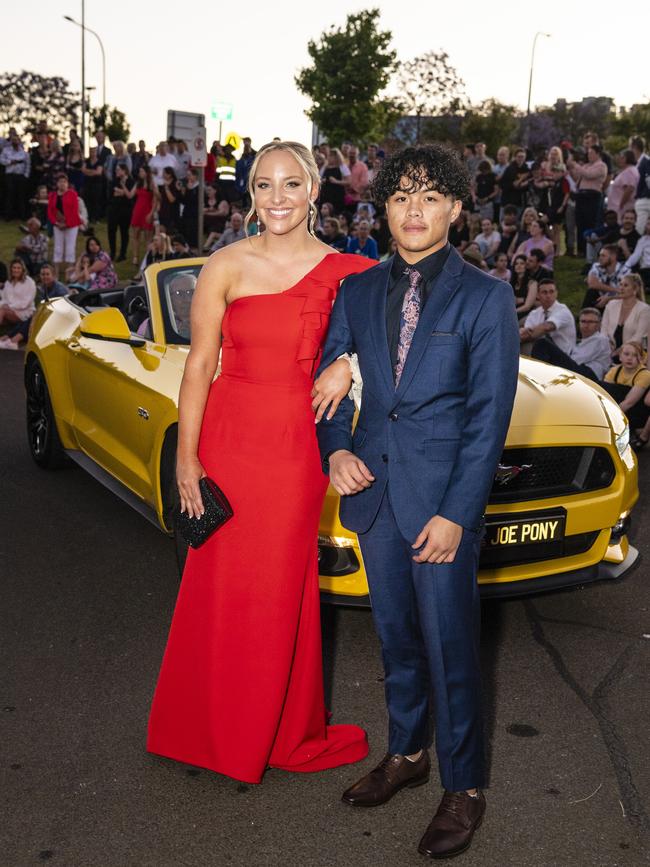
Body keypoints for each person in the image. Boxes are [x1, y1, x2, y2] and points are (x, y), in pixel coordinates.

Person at [313, 144, 519, 860]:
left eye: (431, 197)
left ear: (457, 209)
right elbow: (330, 382)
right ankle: (407, 752)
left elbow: (488, 418)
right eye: (402, 196)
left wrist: (458, 513)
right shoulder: (359, 290)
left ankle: (464, 786)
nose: (414, 210)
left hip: (441, 510)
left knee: (450, 645)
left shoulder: (487, 297)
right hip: (374, 496)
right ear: (385, 206)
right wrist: (335, 448)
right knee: (397, 639)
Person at [147, 140, 372, 784]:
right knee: (215, 583)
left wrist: (345, 362)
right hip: (228, 436)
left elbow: (386, 344)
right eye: (265, 185)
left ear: (314, 192)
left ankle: (272, 729)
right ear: (251, 194)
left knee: (278, 588)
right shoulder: (224, 264)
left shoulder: (348, 272)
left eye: (291, 184)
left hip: (296, 446)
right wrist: (187, 460)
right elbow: (198, 365)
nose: (278, 198)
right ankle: (203, 727)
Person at [531, 306, 612, 381]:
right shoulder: (581, 341)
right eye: (583, 321)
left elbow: (578, 359)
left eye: (590, 322)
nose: (586, 325)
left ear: (599, 324)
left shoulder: (600, 339)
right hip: (579, 370)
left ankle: (537, 376)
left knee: (542, 343)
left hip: (589, 374)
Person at [602, 341, 650, 434]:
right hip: (619, 407)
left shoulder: (645, 374)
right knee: (601, 385)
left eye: (635, 355)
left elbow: (629, 402)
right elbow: (604, 395)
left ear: (641, 358)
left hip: (637, 412)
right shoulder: (614, 370)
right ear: (620, 356)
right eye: (626, 354)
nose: (630, 358)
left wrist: (608, 419)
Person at [567, 145, 608, 255]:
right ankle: (581, 249)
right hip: (581, 195)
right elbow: (578, 177)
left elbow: (589, 175)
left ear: (598, 154)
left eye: (591, 153)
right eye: (588, 153)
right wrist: (571, 168)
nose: (589, 155)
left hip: (592, 196)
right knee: (580, 222)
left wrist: (576, 165)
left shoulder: (601, 166)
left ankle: (590, 250)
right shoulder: (586, 165)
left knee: (590, 222)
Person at [600, 273, 650, 360]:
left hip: (632, 354)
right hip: (607, 352)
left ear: (635, 289)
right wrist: (606, 345)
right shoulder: (611, 305)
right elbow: (603, 329)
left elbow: (639, 336)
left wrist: (621, 350)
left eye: (626, 285)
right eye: (620, 284)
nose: (621, 288)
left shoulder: (644, 309)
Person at [520, 279, 577, 355]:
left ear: (556, 293)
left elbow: (546, 327)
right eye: (544, 292)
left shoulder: (563, 310)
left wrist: (526, 334)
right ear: (537, 295)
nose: (548, 296)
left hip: (564, 356)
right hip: (543, 354)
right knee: (524, 344)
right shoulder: (534, 314)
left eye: (551, 292)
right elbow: (525, 335)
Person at [48, 173, 81, 280]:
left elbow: (74, 211)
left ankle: (70, 273)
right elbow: (50, 211)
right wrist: (56, 223)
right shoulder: (52, 195)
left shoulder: (73, 194)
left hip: (71, 225)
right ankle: (56, 273)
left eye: (64, 182)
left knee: (70, 248)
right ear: (57, 183)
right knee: (58, 247)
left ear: (67, 184)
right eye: (60, 182)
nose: (62, 184)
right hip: (58, 225)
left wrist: (67, 224)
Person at [127, 165, 158, 269]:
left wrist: (151, 213)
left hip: (147, 211)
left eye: (141, 171)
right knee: (135, 235)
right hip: (138, 210)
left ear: (146, 172)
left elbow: (155, 200)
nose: (140, 173)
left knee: (148, 236)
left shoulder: (152, 184)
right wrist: (123, 187)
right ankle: (135, 257)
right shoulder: (138, 183)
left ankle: (147, 257)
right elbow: (130, 195)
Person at [583, 244, 629, 309]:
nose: (600, 258)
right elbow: (592, 284)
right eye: (599, 255)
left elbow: (628, 293)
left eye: (603, 256)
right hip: (599, 299)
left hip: (617, 301)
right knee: (591, 292)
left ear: (613, 257)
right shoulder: (597, 266)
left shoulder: (625, 271)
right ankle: (584, 315)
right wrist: (615, 290)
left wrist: (608, 298)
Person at [106, 163, 135, 261]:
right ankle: (112, 252)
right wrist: (122, 192)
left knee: (124, 232)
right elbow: (111, 193)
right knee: (111, 231)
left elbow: (130, 196)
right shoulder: (114, 180)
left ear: (124, 170)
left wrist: (121, 192)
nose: (116, 171)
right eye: (116, 170)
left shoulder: (131, 181)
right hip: (113, 209)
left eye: (118, 170)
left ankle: (123, 254)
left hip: (125, 210)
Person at [0, 259, 36, 326]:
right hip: (11, 311)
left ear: (23, 269)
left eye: (18, 268)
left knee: (2, 311)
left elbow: (25, 304)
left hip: (25, 313)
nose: (16, 270)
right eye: (14, 268)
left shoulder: (29, 282)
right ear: (11, 269)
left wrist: (9, 307)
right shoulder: (8, 282)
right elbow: (4, 299)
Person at [608, 150, 640, 222]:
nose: (619, 160)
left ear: (627, 158)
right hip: (617, 208)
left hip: (621, 209)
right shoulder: (627, 171)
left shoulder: (630, 171)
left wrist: (621, 204)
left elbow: (629, 188)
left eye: (622, 158)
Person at [629, 136, 650, 235]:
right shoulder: (638, 163)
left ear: (634, 147)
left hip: (645, 201)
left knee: (639, 231)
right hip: (640, 201)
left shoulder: (646, 162)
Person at [624, 215, 650, 289]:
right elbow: (636, 255)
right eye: (647, 224)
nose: (648, 226)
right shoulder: (643, 240)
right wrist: (626, 266)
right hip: (646, 270)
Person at [510, 254, 538, 318]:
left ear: (526, 266)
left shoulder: (532, 283)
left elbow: (527, 306)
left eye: (522, 263)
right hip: (512, 310)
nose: (519, 266)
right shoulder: (511, 282)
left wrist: (511, 312)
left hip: (525, 313)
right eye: (516, 264)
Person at [158, 167, 183, 233]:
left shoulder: (176, 183)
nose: (163, 175)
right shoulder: (163, 183)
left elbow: (172, 199)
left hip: (172, 212)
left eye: (164, 173)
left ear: (169, 174)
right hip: (163, 210)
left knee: (170, 231)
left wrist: (166, 187)